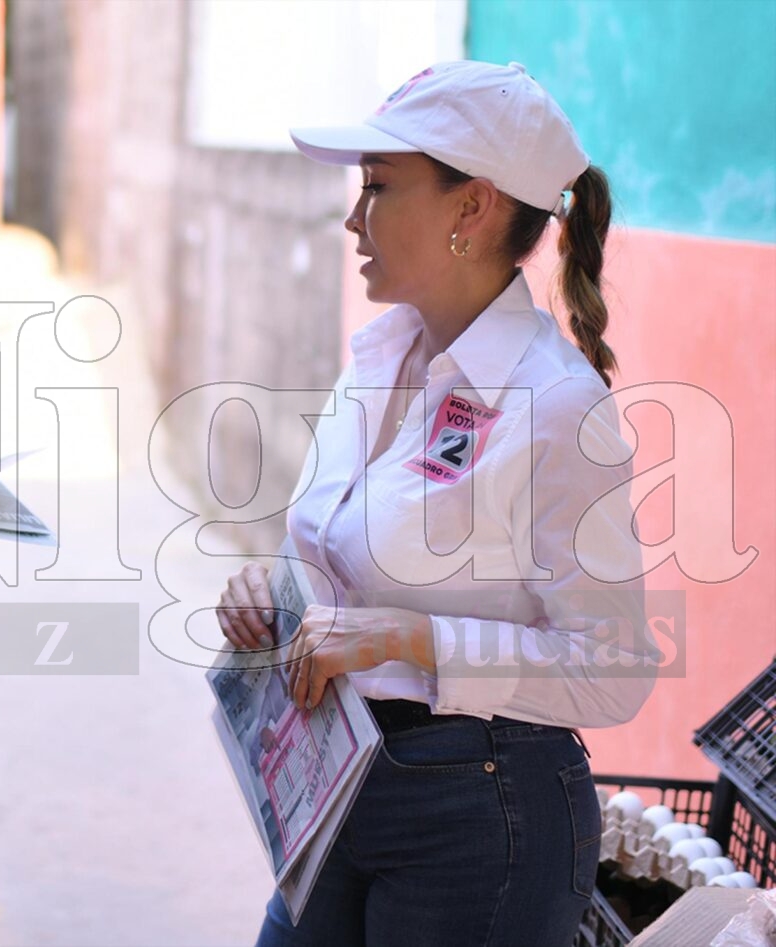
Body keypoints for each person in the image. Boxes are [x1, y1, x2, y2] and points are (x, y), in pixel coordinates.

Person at [216, 61, 654, 946]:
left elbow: (613, 668)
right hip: (346, 788)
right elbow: (342, 553)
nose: (352, 216)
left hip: (483, 819)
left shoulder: (559, 404)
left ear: (471, 208)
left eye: (377, 186)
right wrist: (278, 595)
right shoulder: (383, 354)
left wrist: (410, 637)